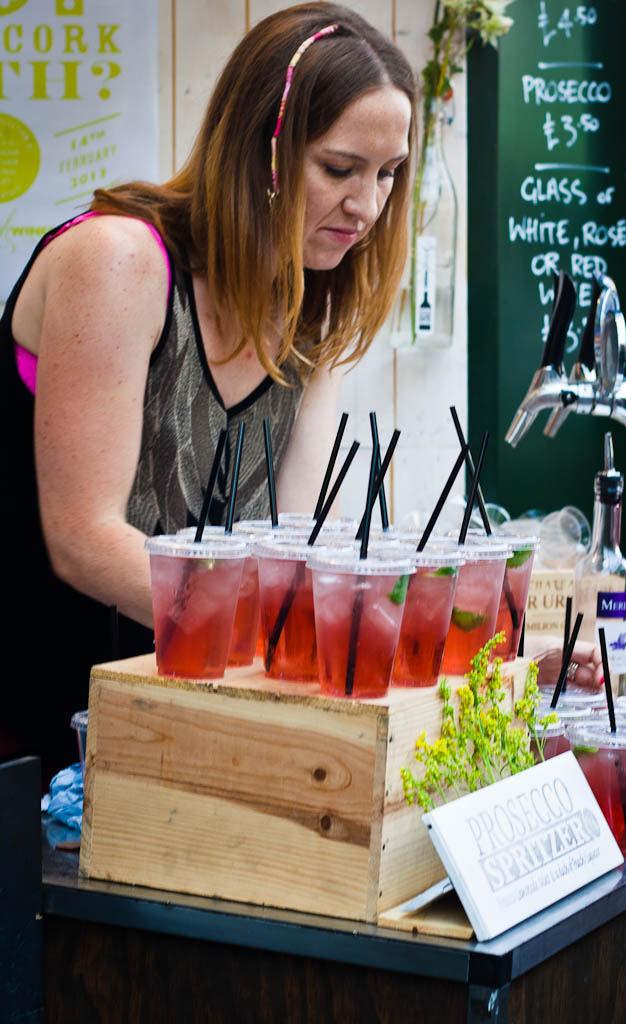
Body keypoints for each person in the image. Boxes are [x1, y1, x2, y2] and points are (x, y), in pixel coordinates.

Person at [1, 3, 416, 782]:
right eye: (338, 169)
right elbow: (84, 540)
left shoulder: (309, 306)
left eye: (387, 174)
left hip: (176, 736)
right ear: (261, 148)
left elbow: (300, 541)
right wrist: (291, 628)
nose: (366, 207)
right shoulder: (120, 259)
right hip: (34, 745)